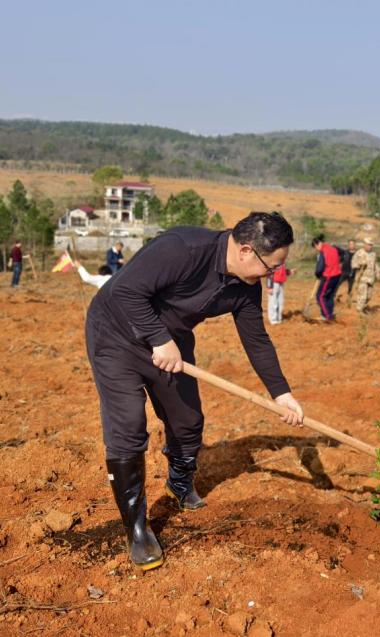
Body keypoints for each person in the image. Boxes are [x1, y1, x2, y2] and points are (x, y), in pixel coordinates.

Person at [86, 212, 304, 570]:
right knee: (127, 425)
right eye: (271, 267)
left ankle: (179, 483)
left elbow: (257, 340)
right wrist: (158, 339)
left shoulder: (244, 286)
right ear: (247, 251)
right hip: (116, 334)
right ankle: (137, 529)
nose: (271, 275)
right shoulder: (183, 249)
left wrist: (281, 393)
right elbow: (124, 290)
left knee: (187, 420)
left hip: (171, 341)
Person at [312, 235, 342, 321]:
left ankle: (326, 316)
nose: (316, 249)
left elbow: (320, 268)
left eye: (315, 247)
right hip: (337, 275)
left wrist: (318, 275)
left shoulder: (323, 252)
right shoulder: (333, 248)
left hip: (329, 276)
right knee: (329, 296)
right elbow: (344, 253)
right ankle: (330, 314)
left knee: (320, 296)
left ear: (317, 244)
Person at [351, 238, 380, 313]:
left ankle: (363, 307)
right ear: (365, 245)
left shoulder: (373, 254)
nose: (370, 246)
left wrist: (377, 273)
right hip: (362, 278)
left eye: (371, 245)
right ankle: (359, 310)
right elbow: (353, 263)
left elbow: (375, 264)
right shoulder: (359, 253)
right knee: (362, 295)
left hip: (371, 278)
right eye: (369, 245)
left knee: (369, 296)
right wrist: (359, 264)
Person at [266, 261, 293, 325]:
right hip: (274, 282)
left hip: (281, 282)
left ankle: (278, 318)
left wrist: (288, 272)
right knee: (273, 301)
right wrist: (269, 286)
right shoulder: (274, 257)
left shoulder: (282, 258)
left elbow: (281, 271)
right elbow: (269, 271)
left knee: (280, 302)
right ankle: (273, 319)